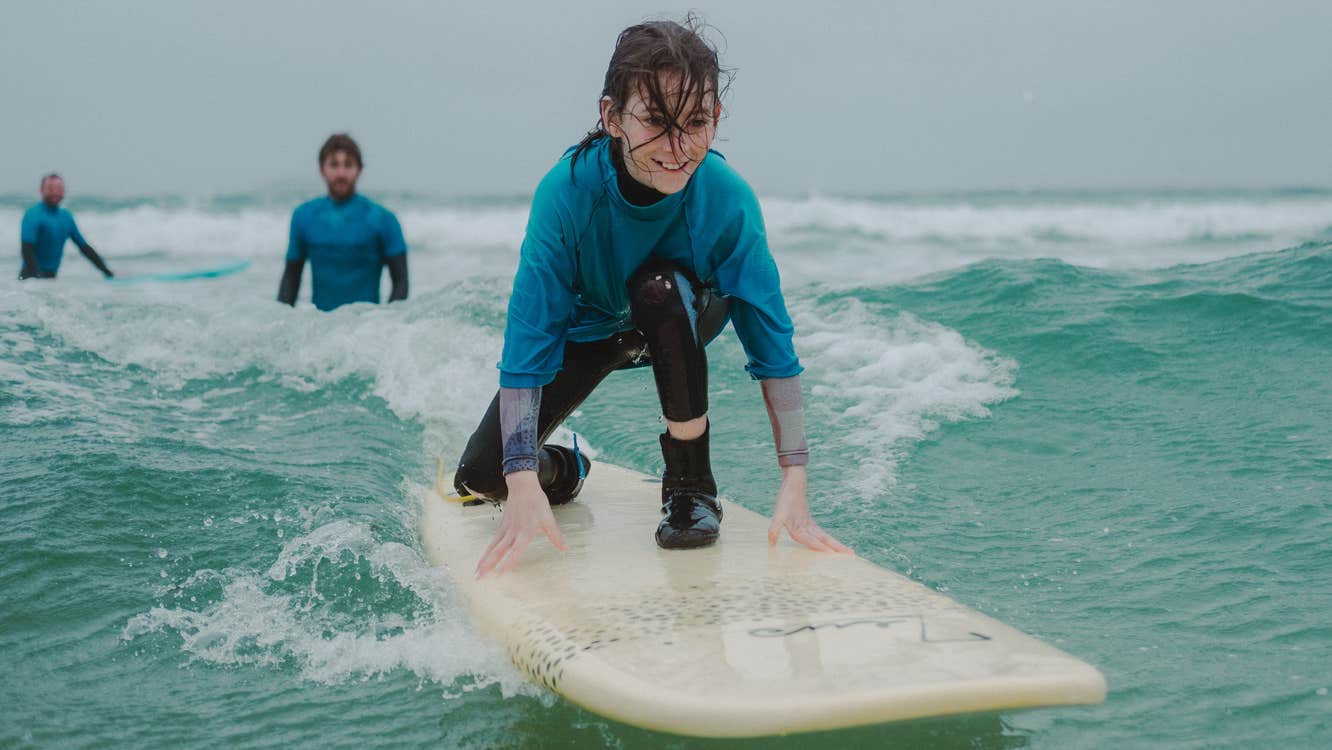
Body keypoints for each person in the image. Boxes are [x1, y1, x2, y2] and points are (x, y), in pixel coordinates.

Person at [458, 18, 852, 577]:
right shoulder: (566, 195)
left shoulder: (727, 199)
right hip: (593, 328)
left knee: (661, 290)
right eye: (655, 121)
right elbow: (531, 333)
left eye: (695, 122)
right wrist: (522, 475)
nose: (677, 147)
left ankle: (692, 486)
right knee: (481, 478)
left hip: (684, 313)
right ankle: (569, 469)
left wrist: (795, 476)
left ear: (717, 118)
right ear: (611, 117)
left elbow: (771, 338)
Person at [277, 134, 408, 311]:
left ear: (359, 169)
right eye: (334, 164)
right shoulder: (303, 217)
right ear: (322, 169)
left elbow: (401, 284)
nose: (341, 173)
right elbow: (290, 282)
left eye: (348, 165)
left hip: (367, 329)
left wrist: (385, 326)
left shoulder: (384, 220)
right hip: (320, 328)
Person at [18, 174, 114, 280]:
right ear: (41, 190)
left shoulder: (66, 217)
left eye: (59, 188)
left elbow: (84, 248)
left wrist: (107, 271)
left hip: (51, 278)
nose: (55, 192)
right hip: (29, 279)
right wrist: (36, 278)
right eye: (50, 188)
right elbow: (26, 249)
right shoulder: (33, 214)